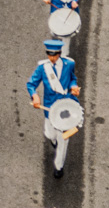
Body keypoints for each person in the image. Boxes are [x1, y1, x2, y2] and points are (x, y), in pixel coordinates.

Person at [27, 40, 81, 178]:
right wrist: (34, 96)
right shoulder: (42, 68)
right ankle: (53, 140)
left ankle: (59, 166)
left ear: (59, 54)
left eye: (54, 55)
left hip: (66, 106)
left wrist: (73, 88)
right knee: (50, 134)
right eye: (49, 55)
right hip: (50, 107)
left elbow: (72, 78)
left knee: (63, 139)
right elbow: (31, 84)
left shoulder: (69, 64)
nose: (51, 58)